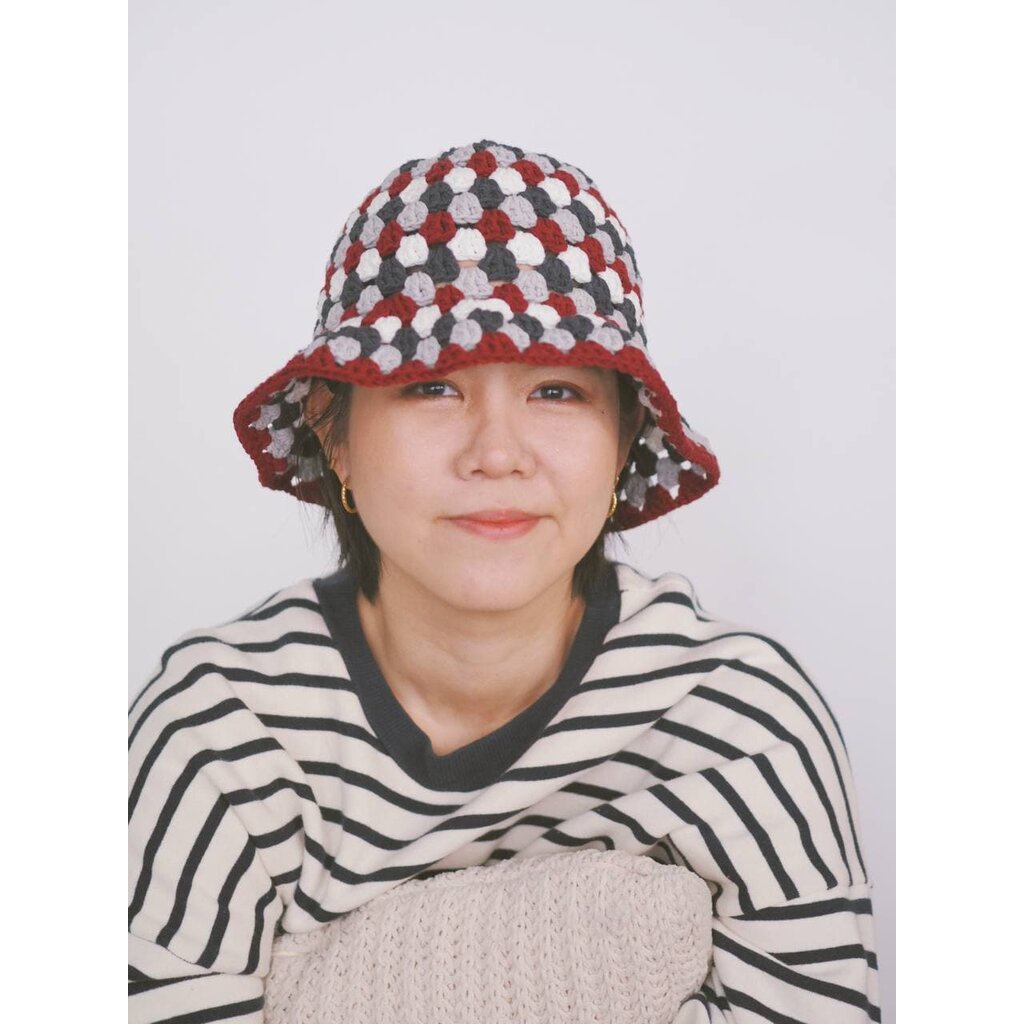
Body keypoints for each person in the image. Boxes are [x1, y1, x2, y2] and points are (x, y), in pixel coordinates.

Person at [128, 138, 882, 1022]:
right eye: (431, 388)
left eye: (556, 391)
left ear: (624, 440)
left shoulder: (741, 729)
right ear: (335, 434)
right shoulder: (217, 735)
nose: (496, 455)